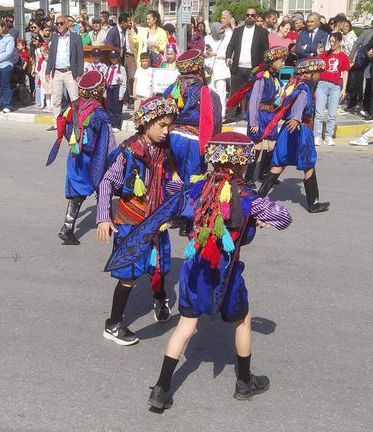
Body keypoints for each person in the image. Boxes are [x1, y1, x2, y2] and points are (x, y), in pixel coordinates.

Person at [117, 132, 292, 413]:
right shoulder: (248, 196)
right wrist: (260, 220)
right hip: (226, 272)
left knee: (186, 326)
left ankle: (161, 390)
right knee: (242, 320)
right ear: (240, 164)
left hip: (194, 268)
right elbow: (284, 218)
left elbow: (173, 203)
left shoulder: (195, 189)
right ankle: (244, 383)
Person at [95, 97, 180, 346]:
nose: (167, 131)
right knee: (129, 275)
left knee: (160, 264)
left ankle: (159, 298)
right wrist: (103, 217)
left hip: (156, 219)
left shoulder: (164, 149)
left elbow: (170, 179)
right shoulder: (128, 152)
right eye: (162, 125)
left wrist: (184, 191)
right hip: (131, 223)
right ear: (146, 123)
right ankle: (112, 325)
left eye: (170, 126)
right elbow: (107, 183)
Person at [48, 70, 114, 246]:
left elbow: (66, 126)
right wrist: (111, 159)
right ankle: (105, 222)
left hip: (75, 154)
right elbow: (107, 142)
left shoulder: (74, 105)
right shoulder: (98, 112)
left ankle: (67, 228)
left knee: (77, 191)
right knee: (103, 184)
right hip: (92, 157)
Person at [257, 58, 330, 213]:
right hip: (300, 130)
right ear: (309, 74)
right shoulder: (304, 89)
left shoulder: (294, 85)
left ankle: (257, 199)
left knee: (278, 165)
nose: (319, 76)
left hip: (287, 131)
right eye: (317, 73)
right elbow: (300, 104)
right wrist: (296, 118)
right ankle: (313, 204)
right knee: (308, 164)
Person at [225, 47, 288, 186]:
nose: (284, 63)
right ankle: (248, 178)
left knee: (271, 144)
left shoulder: (273, 77)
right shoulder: (261, 76)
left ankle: (263, 174)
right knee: (257, 145)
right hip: (259, 115)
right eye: (281, 60)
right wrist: (252, 121)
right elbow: (254, 100)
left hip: (270, 115)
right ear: (273, 61)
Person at [164, 49, 222, 183]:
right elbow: (215, 121)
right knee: (193, 182)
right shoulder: (207, 93)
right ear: (199, 68)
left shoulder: (171, 90)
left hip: (171, 138)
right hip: (194, 142)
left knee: (172, 179)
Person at [225, 7, 270, 120]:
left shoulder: (262, 32)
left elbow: (266, 51)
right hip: (238, 67)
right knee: (235, 93)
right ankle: (230, 116)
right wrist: (228, 57)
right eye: (248, 15)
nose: (250, 17)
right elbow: (231, 46)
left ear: (256, 17)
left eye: (252, 15)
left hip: (254, 69)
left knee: (253, 94)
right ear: (245, 16)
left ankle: (250, 116)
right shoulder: (237, 31)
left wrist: (263, 67)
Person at [46, 16, 84, 127]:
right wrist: (48, 71)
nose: (59, 26)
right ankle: (57, 124)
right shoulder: (55, 38)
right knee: (56, 100)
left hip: (70, 72)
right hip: (57, 72)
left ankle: (77, 123)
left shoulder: (76, 38)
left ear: (67, 24)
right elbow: (51, 55)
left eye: (61, 23)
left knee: (75, 100)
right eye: (57, 24)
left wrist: (79, 73)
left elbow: (80, 56)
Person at [315, 33, 351, 146]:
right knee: (319, 113)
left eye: (334, 41)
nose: (331, 44)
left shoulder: (343, 56)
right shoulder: (324, 54)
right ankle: (317, 135)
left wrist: (344, 88)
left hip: (335, 86)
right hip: (322, 84)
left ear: (339, 42)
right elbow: (317, 66)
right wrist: (317, 54)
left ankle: (328, 136)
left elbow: (345, 73)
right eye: (330, 41)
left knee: (332, 113)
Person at [104, 49, 126, 131]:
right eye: (111, 58)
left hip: (117, 88)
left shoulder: (121, 69)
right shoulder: (109, 68)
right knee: (110, 107)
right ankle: (111, 123)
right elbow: (106, 80)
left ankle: (116, 125)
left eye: (115, 58)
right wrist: (105, 91)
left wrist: (121, 94)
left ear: (118, 58)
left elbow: (123, 83)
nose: (113, 59)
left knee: (117, 108)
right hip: (109, 88)